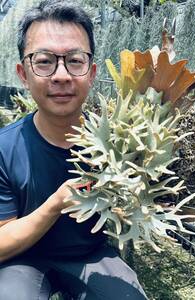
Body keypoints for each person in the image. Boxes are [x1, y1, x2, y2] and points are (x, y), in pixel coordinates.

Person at [0, 1, 147, 299]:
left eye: (75, 60)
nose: (62, 75)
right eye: (43, 61)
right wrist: (56, 203)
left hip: (92, 255)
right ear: (23, 74)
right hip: (23, 259)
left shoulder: (123, 141)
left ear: (91, 73)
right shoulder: (4, 148)